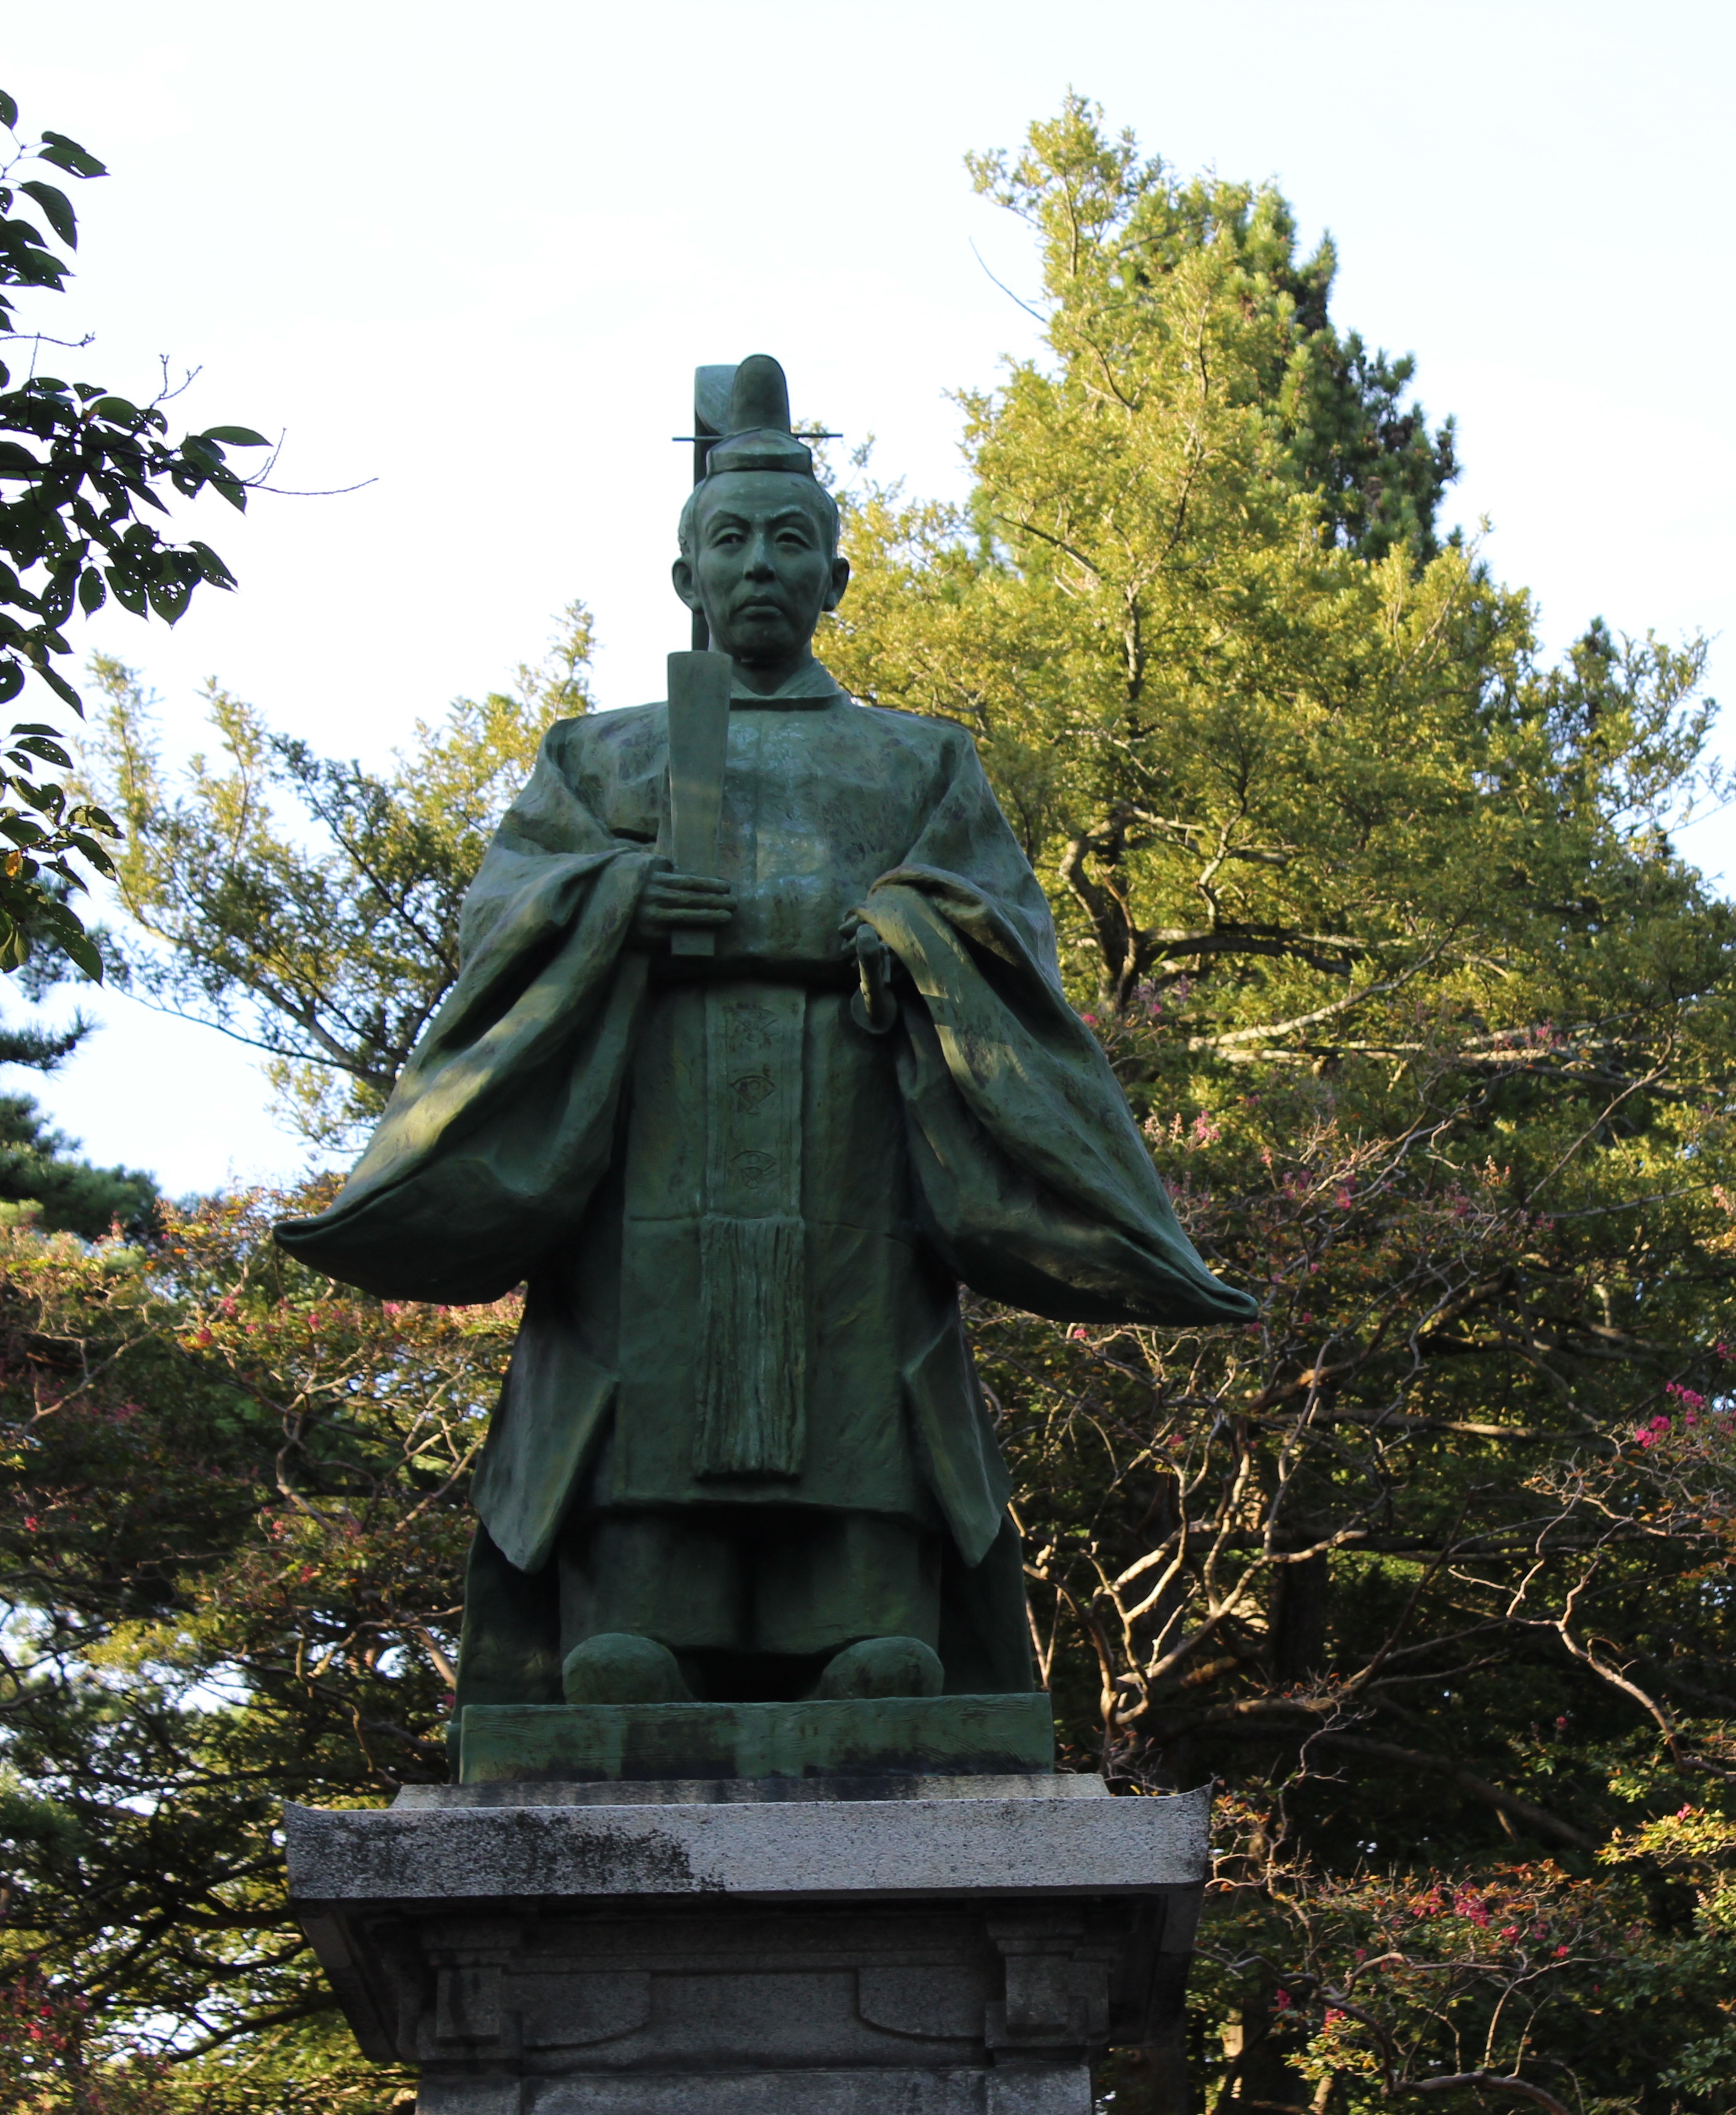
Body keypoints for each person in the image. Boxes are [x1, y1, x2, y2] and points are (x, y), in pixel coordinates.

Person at [276, 357, 1253, 1715]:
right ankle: (637, 1615)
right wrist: (615, 897)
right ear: (683, 576)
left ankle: (863, 1618)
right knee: (643, 1346)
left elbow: (1000, 924)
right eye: (728, 541)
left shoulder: (920, 759)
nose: (758, 567)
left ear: (837, 578)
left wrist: (905, 931)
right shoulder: (603, 755)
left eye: (791, 542)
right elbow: (499, 910)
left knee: (858, 1348)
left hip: (852, 1103)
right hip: (652, 1111)